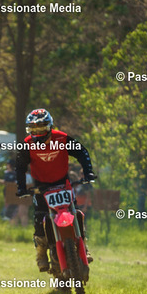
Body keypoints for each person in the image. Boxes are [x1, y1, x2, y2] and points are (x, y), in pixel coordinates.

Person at [16, 108, 96, 272]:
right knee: (39, 219)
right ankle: (41, 254)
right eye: (33, 129)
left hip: (63, 184)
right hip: (41, 187)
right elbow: (20, 166)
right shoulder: (27, 144)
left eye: (41, 128)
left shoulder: (62, 138)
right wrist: (21, 187)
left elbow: (82, 152)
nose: (38, 133)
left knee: (76, 213)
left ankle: (84, 246)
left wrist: (88, 172)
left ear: (50, 127)